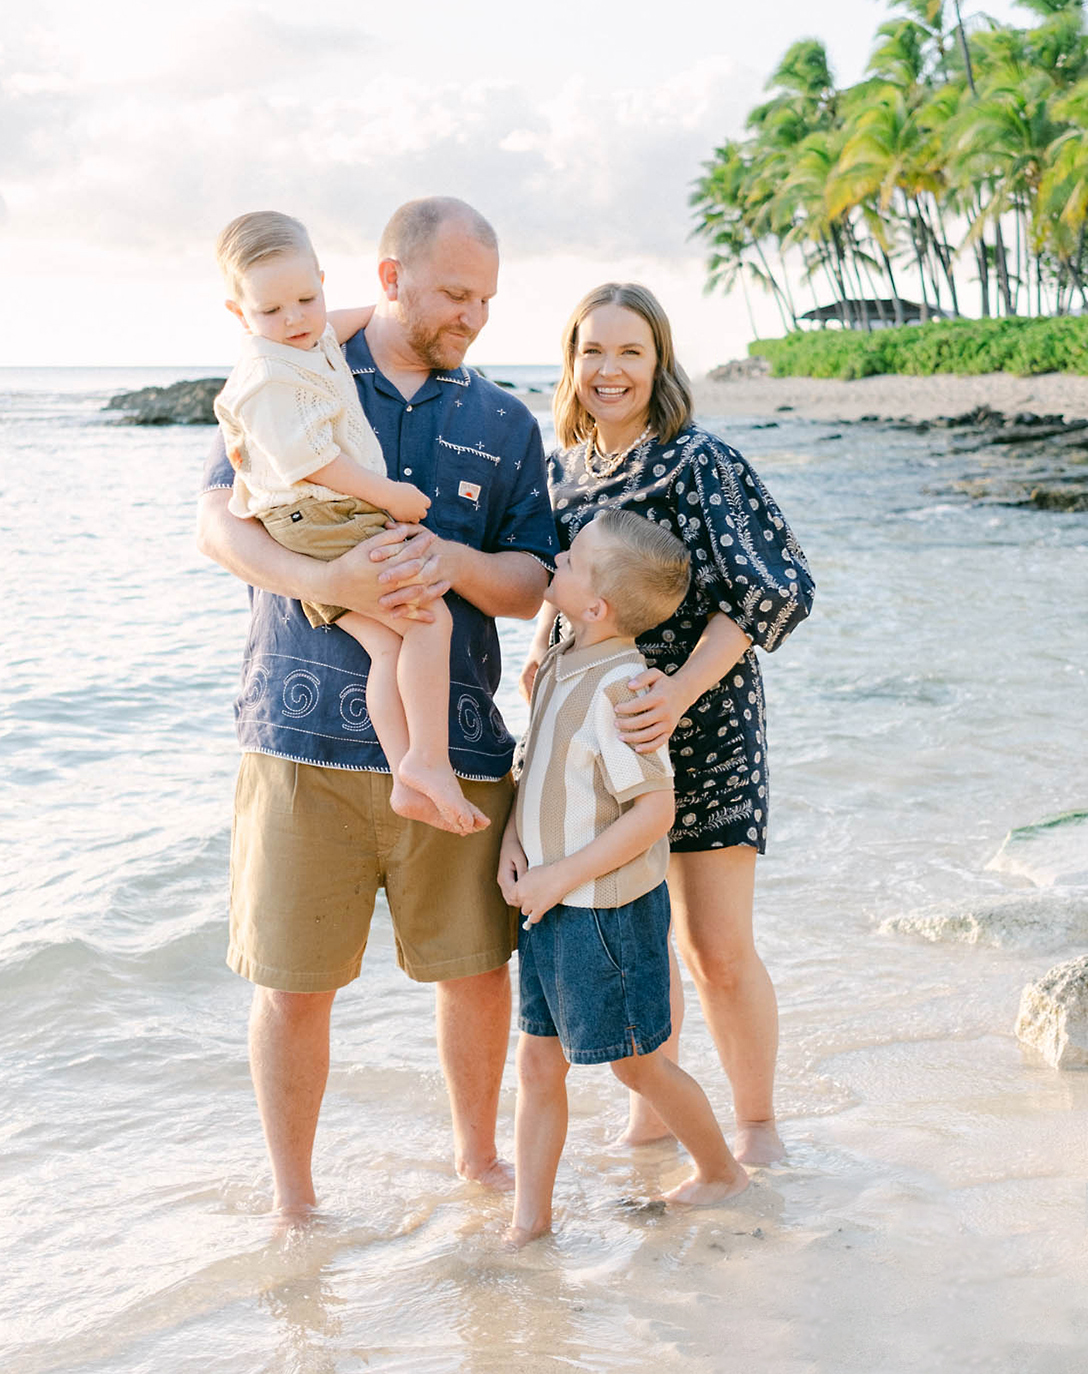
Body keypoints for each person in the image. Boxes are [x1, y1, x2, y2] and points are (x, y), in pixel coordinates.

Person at [197, 197, 558, 1217]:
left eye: (487, 297)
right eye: (454, 292)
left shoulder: (504, 420)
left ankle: (479, 1167)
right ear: (390, 279)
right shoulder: (298, 357)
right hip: (298, 737)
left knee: (478, 973)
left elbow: (535, 582)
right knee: (290, 985)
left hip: (460, 740)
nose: (474, 315)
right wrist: (339, 584)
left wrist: (449, 559)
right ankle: (295, 1208)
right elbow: (219, 526)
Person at [521, 283, 814, 1167]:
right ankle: (658, 1120)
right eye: (593, 351)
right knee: (637, 935)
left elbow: (776, 587)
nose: (610, 370)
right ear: (572, 363)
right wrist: (543, 651)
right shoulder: (561, 470)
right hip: (599, 745)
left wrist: (680, 691)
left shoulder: (701, 460)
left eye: (630, 353)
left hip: (706, 726)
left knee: (713, 947)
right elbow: (559, 579)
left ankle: (757, 1126)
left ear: (659, 362)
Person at [498, 510, 749, 1246]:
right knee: (539, 1060)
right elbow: (535, 768)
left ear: (598, 604)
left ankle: (721, 1170)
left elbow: (653, 811)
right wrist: (516, 841)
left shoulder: (623, 690)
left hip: (602, 910)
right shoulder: (561, 654)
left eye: (571, 562)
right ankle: (529, 1222)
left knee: (637, 1064)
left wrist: (561, 875)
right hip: (548, 899)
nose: (557, 561)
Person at [212, 209, 486, 837]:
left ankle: (406, 776)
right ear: (239, 315)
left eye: (308, 298)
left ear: (320, 282)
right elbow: (317, 463)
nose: (296, 320)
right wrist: (392, 496)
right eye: (272, 311)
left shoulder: (308, 337)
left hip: (315, 514)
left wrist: (387, 308)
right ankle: (431, 761)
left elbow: (342, 322)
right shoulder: (267, 374)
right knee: (428, 617)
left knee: (390, 643)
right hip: (321, 512)